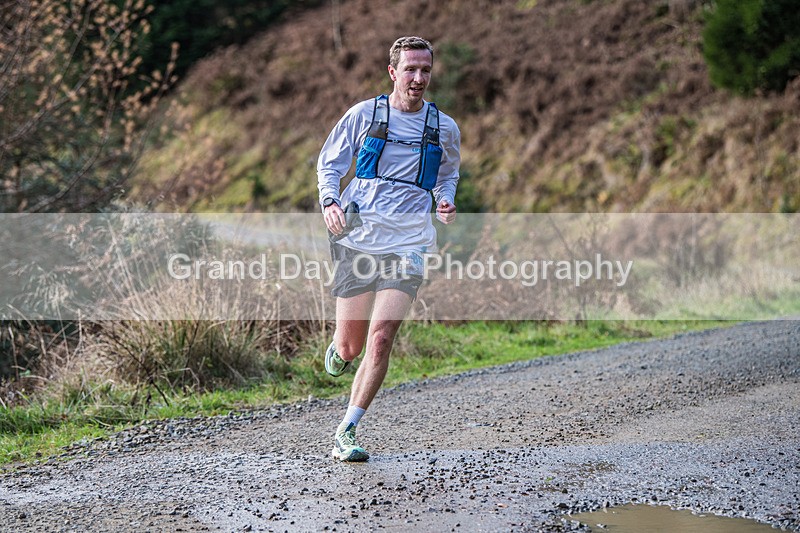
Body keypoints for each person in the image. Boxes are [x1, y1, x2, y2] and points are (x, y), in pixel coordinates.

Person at [317, 36, 461, 462]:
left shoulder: (444, 128)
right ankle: (340, 348)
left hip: (411, 242)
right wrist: (329, 201)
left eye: (426, 70)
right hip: (360, 238)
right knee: (351, 347)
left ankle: (347, 429)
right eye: (411, 69)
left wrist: (445, 200)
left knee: (381, 338)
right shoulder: (365, 115)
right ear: (393, 72)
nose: (419, 78)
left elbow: (447, 175)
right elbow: (330, 164)